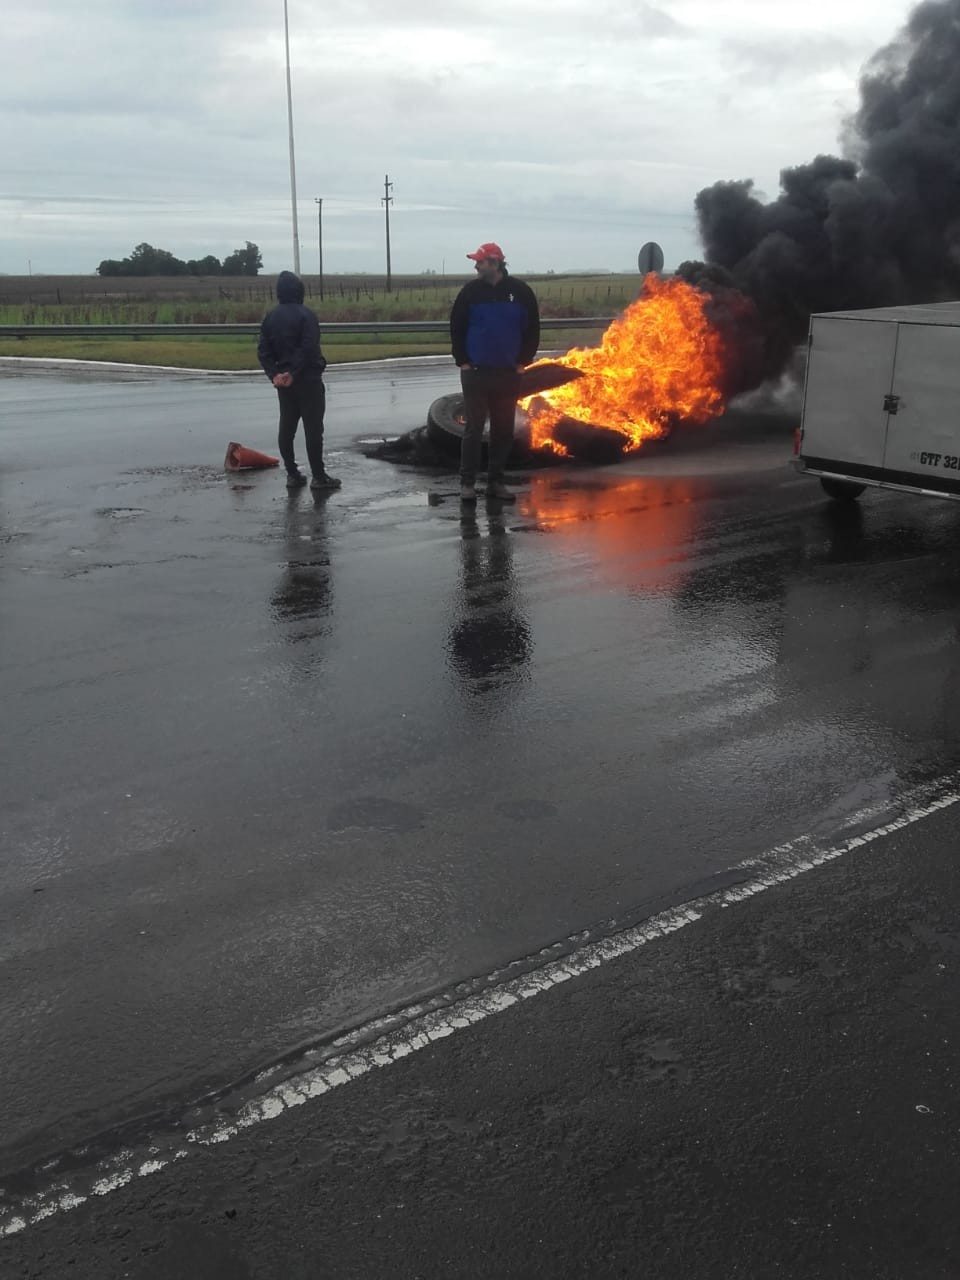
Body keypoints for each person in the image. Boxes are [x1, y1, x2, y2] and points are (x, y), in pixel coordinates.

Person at [450, 242, 540, 503]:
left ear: (495, 263)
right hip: (476, 373)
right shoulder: (470, 292)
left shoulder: (520, 292)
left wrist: (523, 361)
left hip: (508, 373)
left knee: (503, 430)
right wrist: (463, 361)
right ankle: (467, 483)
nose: (476, 266)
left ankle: (495, 482)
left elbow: (532, 328)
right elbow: (456, 327)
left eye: (480, 262)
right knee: (474, 429)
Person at [257, 270, 341, 491]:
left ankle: (292, 474)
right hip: (308, 380)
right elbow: (308, 348)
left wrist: (275, 374)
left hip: (284, 384)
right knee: (313, 430)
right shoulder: (306, 316)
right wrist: (293, 372)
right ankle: (318, 476)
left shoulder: (270, 318)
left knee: (287, 428)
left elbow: (263, 351)